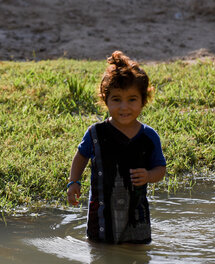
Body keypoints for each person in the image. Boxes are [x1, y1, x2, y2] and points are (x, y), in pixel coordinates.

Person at [67, 50, 166, 244]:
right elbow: (81, 156)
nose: (124, 107)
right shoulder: (96, 134)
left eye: (132, 99)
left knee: (138, 254)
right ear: (106, 100)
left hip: (137, 214)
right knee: (99, 249)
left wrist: (148, 176)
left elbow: (160, 169)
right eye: (116, 99)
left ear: (143, 101)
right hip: (101, 214)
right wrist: (74, 182)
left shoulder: (148, 137)